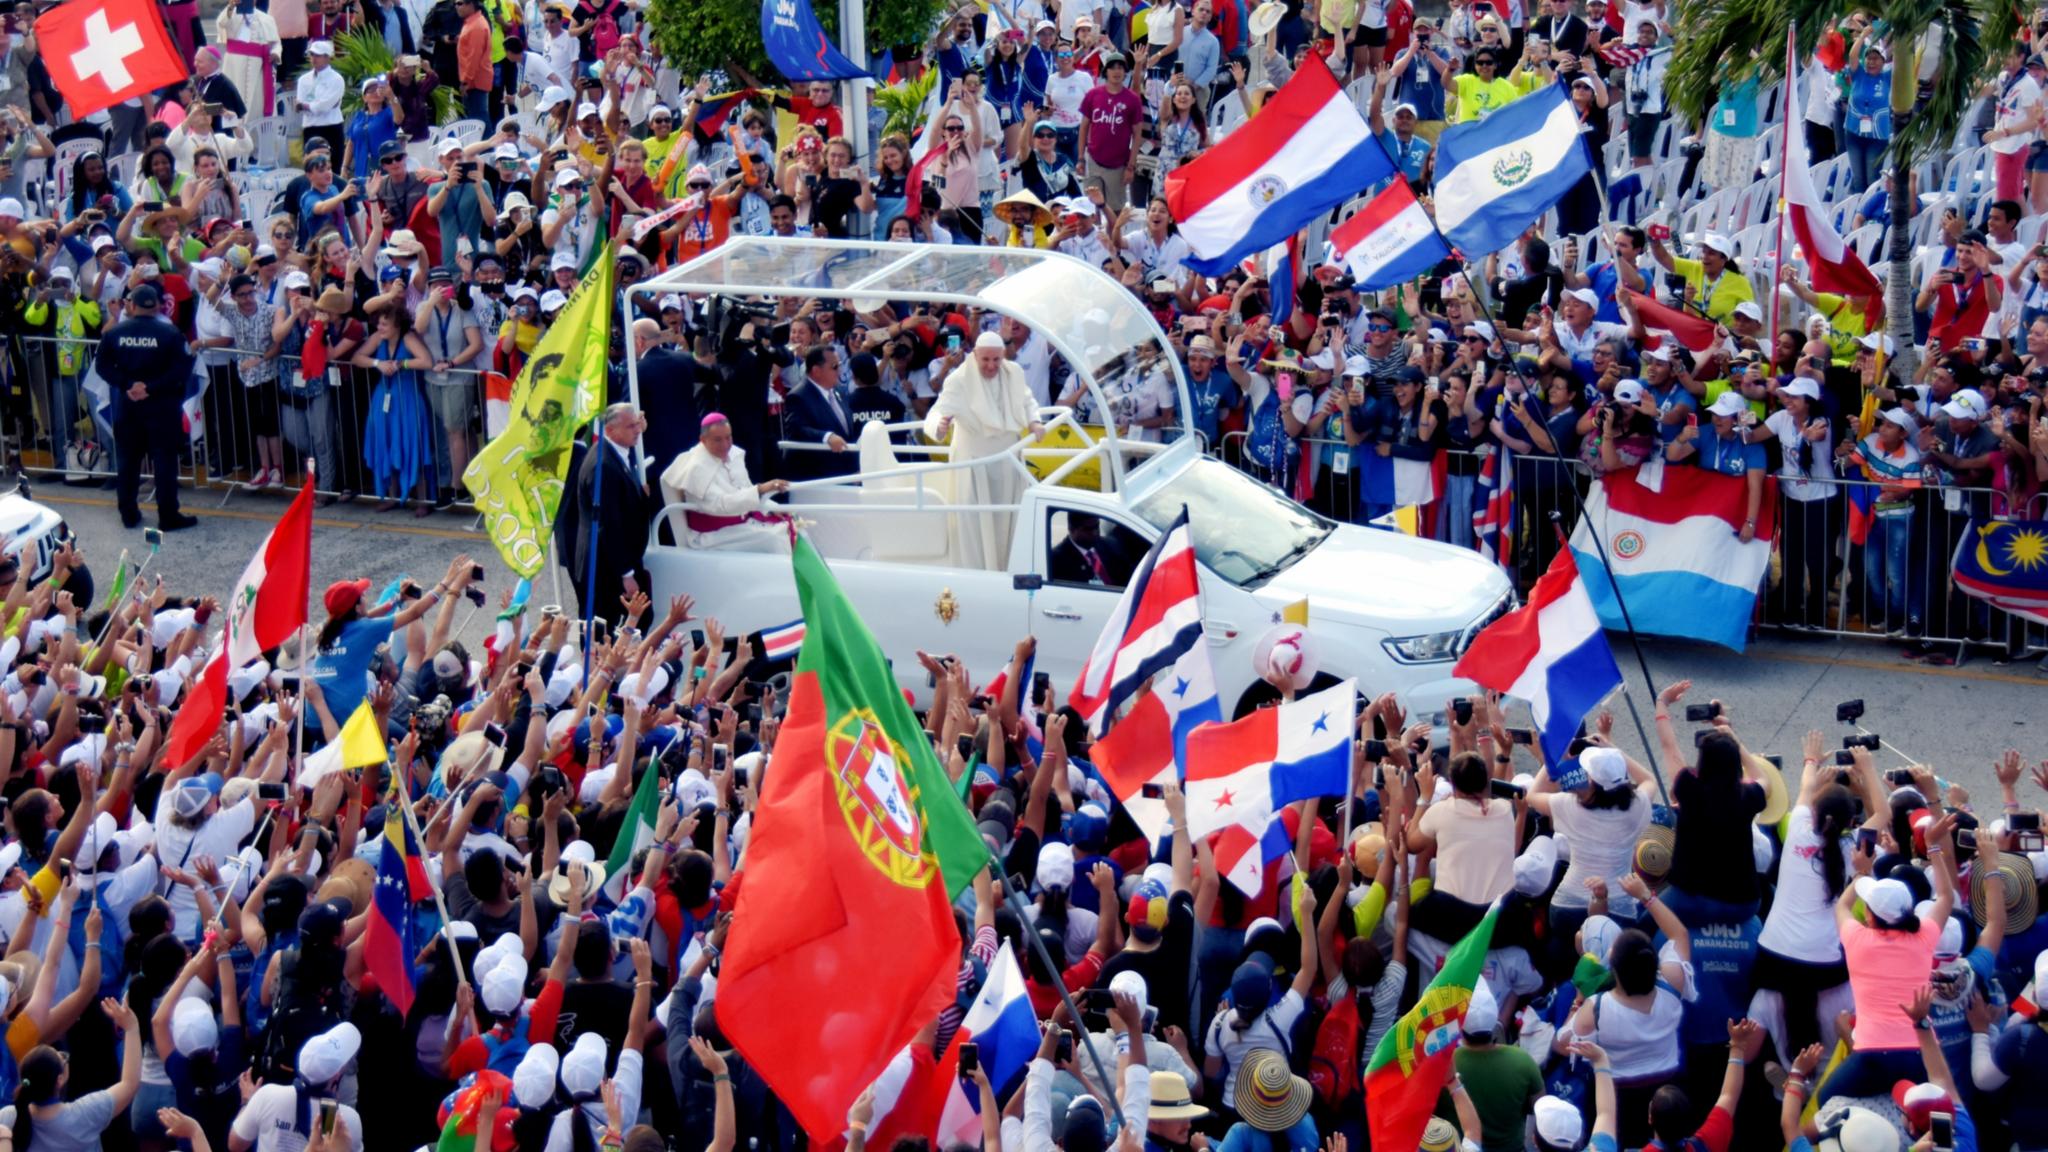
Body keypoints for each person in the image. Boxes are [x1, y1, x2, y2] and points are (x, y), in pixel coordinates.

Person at [922, 331, 1046, 569]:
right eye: (985, 360)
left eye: (996, 360)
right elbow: (936, 412)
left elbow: (1027, 401)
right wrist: (939, 426)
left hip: (1008, 465)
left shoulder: (1014, 373)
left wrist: (1035, 422)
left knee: (1007, 520)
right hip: (973, 467)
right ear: (975, 355)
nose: (991, 366)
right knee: (975, 527)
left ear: (1003, 356)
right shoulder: (958, 379)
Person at [97, 284, 199, 532]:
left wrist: (128, 385)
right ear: (158, 305)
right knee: (164, 461)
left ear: (131, 305)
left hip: (129, 406)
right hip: (161, 407)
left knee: (128, 461)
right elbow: (182, 371)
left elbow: (102, 366)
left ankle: (128, 513)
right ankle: (168, 516)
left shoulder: (115, 334)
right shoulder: (171, 334)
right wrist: (150, 387)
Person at [571, 403, 658, 629]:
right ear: (610, 431)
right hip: (606, 567)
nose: (637, 430)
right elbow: (609, 525)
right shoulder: (603, 466)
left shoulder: (618, 451)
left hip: (619, 560)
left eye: (637, 425)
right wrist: (626, 574)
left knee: (642, 617)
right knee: (601, 628)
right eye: (631, 426)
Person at [658, 413, 792, 554]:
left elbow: (745, 490)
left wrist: (774, 507)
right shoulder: (696, 468)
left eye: (729, 437)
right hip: (712, 535)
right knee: (774, 540)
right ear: (703, 440)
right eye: (718, 440)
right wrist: (761, 489)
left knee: (791, 524)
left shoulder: (734, 455)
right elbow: (721, 505)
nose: (725, 445)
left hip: (738, 524)